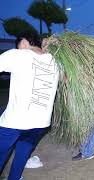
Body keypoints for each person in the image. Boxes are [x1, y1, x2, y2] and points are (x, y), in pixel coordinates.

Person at [0, 33, 59, 180]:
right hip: (40, 123)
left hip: (14, 122)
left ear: (24, 42)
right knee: (22, 154)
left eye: (18, 45)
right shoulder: (56, 61)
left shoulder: (16, 55)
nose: (17, 48)